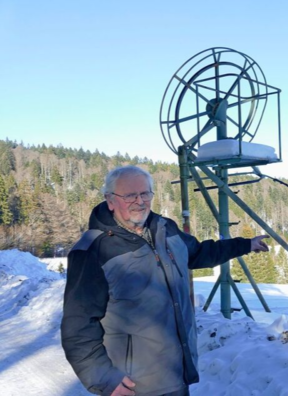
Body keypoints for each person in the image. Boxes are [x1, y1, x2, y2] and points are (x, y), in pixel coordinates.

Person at [61, 165, 269, 396]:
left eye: (145, 193)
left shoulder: (165, 229)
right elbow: (78, 325)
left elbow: (199, 252)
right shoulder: (93, 250)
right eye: (130, 195)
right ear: (110, 200)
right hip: (134, 385)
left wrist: (245, 245)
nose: (140, 201)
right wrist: (103, 378)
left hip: (176, 374)